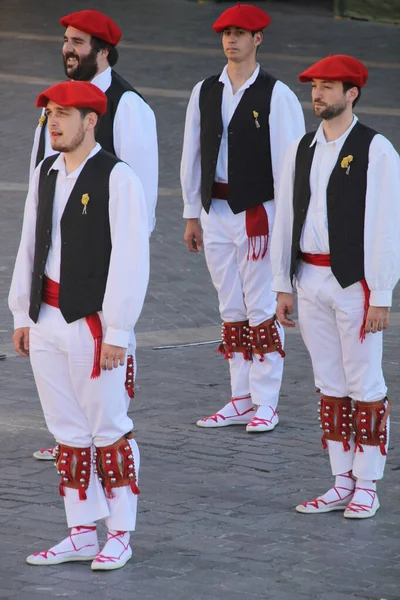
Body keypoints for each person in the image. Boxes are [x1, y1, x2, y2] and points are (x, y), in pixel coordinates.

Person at [9, 81, 149, 567]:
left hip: (93, 323)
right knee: (67, 430)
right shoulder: (46, 170)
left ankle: (121, 532)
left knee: (108, 428)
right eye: (50, 114)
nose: (54, 123)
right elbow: (29, 242)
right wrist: (22, 312)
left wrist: (117, 330)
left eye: (64, 114)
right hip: (46, 317)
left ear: (91, 121)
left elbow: (132, 258)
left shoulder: (118, 178)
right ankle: (81, 531)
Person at [271, 54, 400, 518]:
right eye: (314, 86)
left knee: (364, 381)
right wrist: (282, 283)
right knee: (329, 382)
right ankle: (340, 478)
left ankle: (367, 483)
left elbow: (387, 225)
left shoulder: (376, 149)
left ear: (352, 93)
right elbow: (285, 216)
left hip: (354, 283)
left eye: (329, 86)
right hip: (309, 278)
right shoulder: (300, 148)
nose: (318, 93)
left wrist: (381, 292)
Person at [31, 9, 158, 461]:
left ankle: (110, 425)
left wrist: (123, 269)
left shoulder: (128, 107)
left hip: (104, 258)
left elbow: (139, 199)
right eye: (66, 39)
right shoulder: (56, 104)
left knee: (110, 342)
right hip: (59, 254)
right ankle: (75, 434)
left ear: (103, 52)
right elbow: (40, 175)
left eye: (79, 42)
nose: (68, 48)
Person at [181, 4, 305, 432]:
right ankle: (239, 398)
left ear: (258, 39)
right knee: (230, 305)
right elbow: (192, 154)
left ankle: (266, 401)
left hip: (259, 213)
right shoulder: (205, 90)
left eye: (240, 33)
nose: (231, 40)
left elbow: (290, 168)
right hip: (215, 210)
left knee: (262, 307)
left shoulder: (277, 95)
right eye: (226, 33)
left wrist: (287, 224)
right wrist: (191, 214)